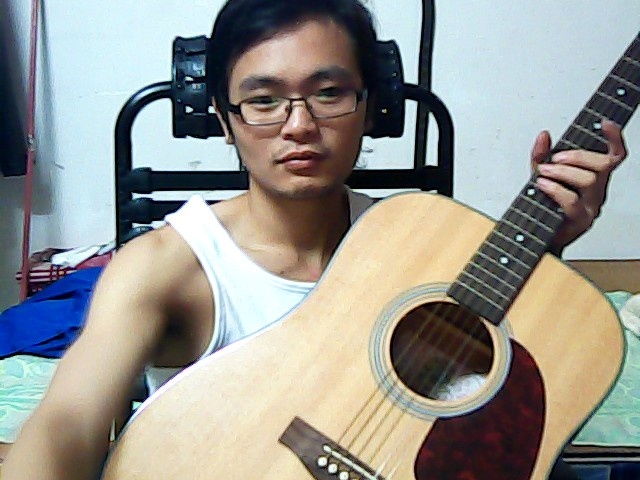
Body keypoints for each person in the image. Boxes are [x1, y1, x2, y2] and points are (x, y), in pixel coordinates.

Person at [3, 0, 628, 479]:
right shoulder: (166, 264)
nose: (299, 125)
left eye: (329, 93)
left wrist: (551, 242)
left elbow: (488, 373)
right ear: (223, 118)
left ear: (371, 106)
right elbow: (66, 422)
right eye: (263, 100)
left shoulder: (417, 240)